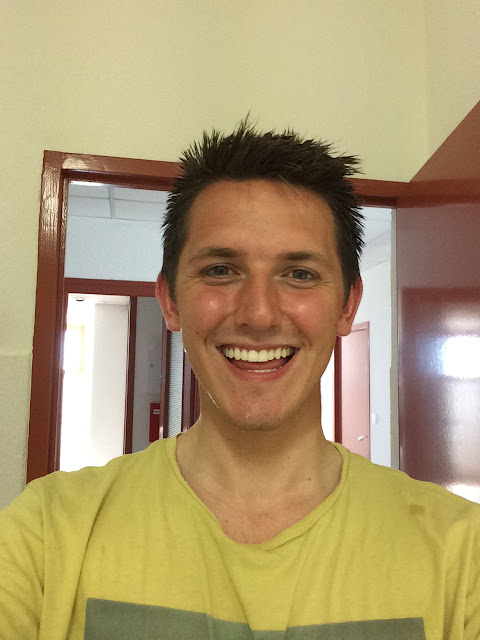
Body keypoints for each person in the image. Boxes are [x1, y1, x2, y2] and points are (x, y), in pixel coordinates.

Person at [1, 120, 479, 639]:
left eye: (299, 274)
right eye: (220, 270)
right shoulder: (47, 535)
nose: (258, 314)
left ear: (347, 306)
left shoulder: (459, 555)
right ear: (169, 300)